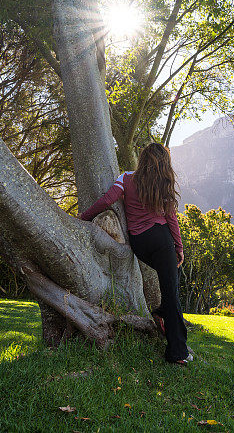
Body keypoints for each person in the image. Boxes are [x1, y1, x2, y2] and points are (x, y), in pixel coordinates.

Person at [78, 143, 192, 365]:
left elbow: (106, 200)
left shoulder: (126, 177)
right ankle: (177, 352)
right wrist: (179, 248)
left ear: (143, 159)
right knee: (172, 294)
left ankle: (162, 312)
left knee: (170, 291)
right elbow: (171, 220)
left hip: (139, 244)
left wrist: (84, 216)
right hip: (162, 242)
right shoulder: (164, 184)